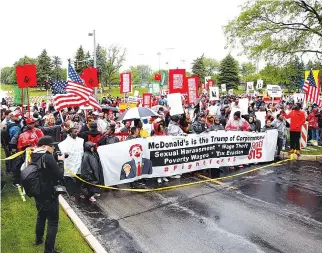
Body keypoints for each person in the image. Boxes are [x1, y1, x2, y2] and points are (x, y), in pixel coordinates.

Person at [32, 136, 65, 253]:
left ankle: (38, 240)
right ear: (45, 146)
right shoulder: (48, 157)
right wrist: (61, 161)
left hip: (37, 192)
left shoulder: (34, 155)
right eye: (52, 146)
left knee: (41, 216)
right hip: (49, 194)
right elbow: (60, 175)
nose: (54, 148)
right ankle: (48, 250)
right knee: (53, 222)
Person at [58, 128, 84, 201]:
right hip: (70, 163)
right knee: (69, 179)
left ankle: (78, 192)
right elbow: (64, 152)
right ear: (70, 133)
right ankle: (71, 193)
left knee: (79, 178)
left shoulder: (80, 141)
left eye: (77, 131)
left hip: (78, 162)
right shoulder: (64, 143)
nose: (77, 133)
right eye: (75, 132)